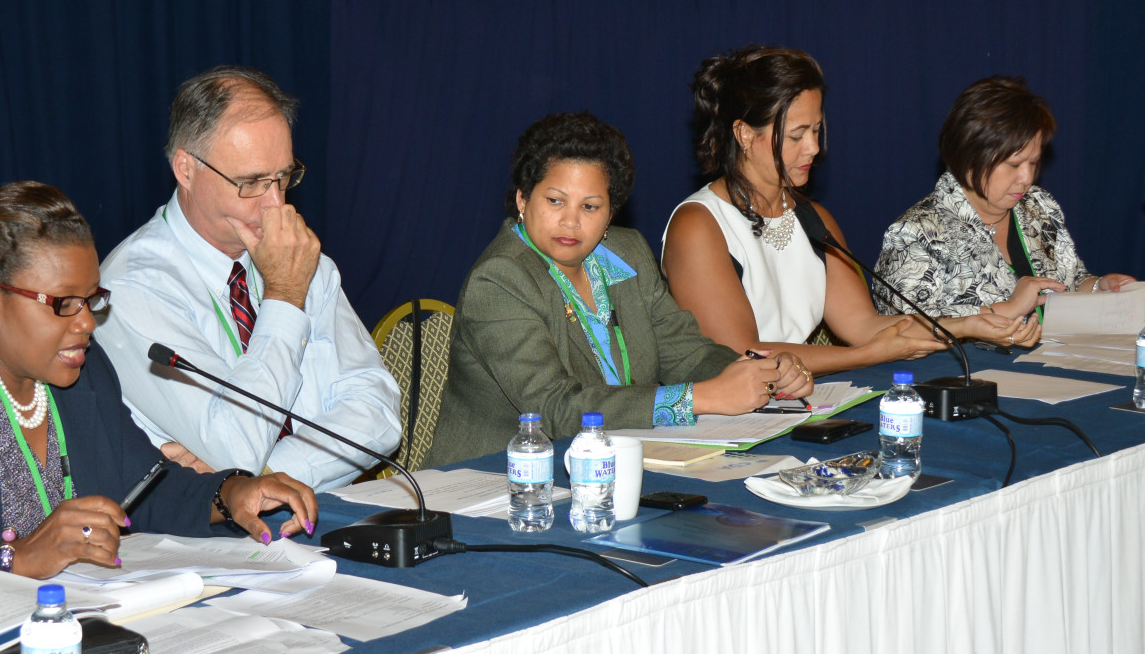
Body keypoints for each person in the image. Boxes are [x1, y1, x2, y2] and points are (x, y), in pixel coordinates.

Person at [0, 182, 317, 607]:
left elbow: (143, 492)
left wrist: (230, 495)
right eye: (63, 303)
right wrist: (14, 558)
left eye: (91, 299)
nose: (86, 323)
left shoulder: (82, 376)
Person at [424, 111, 811, 468]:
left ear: (611, 213)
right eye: (555, 201)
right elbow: (553, 408)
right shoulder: (499, 279)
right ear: (523, 199)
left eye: (590, 207)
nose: (571, 221)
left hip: (617, 458)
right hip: (500, 479)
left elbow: (686, 352)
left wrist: (759, 374)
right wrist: (702, 398)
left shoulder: (627, 254)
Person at [96, 67, 400, 492]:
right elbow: (236, 447)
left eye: (284, 177)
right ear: (185, 169)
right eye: (251, 182)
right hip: (206, 532)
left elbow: (379, 415)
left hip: (321, 509)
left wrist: (264, 477)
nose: (275, 204)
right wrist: (284, 298)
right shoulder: (132, 289)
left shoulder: (296, 255)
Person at [661, 47, 1039, 371]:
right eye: (797, 135)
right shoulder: (698, 225)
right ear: (744, 134)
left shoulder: (814, 218)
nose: (813, 147)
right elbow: (740, 354)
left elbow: (865, 326)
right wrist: (865, 356)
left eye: (816, 130)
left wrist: (969, 325)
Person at [873, 75, 1135, 319]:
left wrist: (1097, 287)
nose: (1027, 178)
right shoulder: (916, 234)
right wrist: (1005, 310)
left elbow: (1070, 281)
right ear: (969, 157)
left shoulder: (1039, 205)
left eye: (1034, 162)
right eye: (1014, 165)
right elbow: (903, 330)